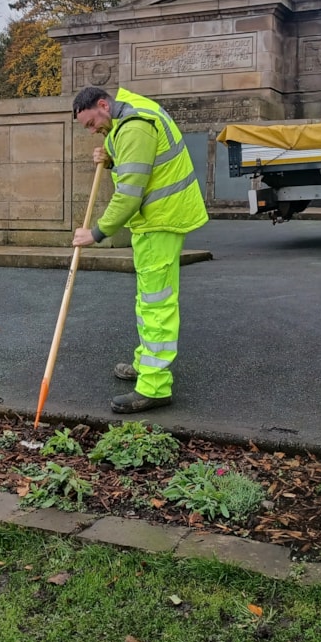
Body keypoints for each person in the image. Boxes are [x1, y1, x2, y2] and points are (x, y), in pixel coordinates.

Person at [72, 86, 209, 414]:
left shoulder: (134, 126)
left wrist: (97, 232)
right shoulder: (128, 113)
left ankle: (154, 386)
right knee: (148, 298)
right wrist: (109, 157)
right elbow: (135, 157)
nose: (93, 131)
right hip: (157, 219)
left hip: (160, 220)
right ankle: (144, 363)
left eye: (92, 124)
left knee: (156, 303)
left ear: (103, 105)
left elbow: (130, 194)